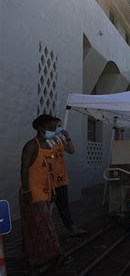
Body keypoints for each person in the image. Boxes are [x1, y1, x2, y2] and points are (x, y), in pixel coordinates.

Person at [20, 114, 63, 269]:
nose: (54, 131)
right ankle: (54, 255)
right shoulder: (31, 145)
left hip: (46, 191)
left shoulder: (49, 145)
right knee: (43, 226)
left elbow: (49, 171)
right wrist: (26, 191)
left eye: (55, 128)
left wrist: (52, 191)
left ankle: (39, 258)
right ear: (41, 128)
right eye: (51, 128)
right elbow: (24, 168)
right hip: (32, 191)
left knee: (39, 226)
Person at [51, 117, 88, 237]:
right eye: (58, 126)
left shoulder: (58, 139)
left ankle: (71, 227)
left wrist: (67, 137)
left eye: (60, 126)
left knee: (63, 205)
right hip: (49, 179)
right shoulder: (46, 141)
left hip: (61, 178)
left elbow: (71, 150)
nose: (59, 128)